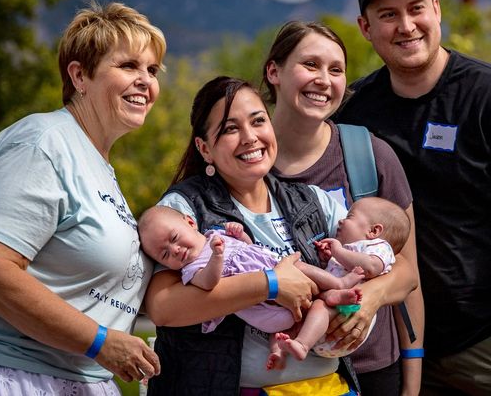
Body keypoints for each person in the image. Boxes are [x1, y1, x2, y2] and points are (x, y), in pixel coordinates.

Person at [334, 0, 491, 395]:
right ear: (365, 28)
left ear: (437, 10)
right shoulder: (355, 109)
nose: (406, 25)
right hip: (402, 346)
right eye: (388, 15)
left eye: (416, 8)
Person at [143, 76, 418, 395]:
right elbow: (163, 307)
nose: (249, 137)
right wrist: (271, 284)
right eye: (230, 129)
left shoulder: (311, 200)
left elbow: (404, 271)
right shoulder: (183, 209)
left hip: (325, 387)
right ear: (205, 148)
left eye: (258, 121)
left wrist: (372, 297)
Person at [0, 1, 166, 395]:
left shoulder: (99, 165)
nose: (145, 81)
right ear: (79, 76)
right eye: (128, 66)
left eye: (152, 70)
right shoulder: (44, 142)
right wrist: (100, 341)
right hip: (20, 377)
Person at [263, 20, 425, 395]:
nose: (324, 79)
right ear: (274, 71)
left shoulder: (370, 155)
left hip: (372, 370)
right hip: (277, 373)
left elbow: (409, 273)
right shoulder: (243, 160)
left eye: (336, 70)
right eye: (310, 65)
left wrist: (412, 385)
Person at [138, 205, 364, 368]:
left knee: (303, 274)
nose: (176, 250)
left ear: (190, 222)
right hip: (264, 307)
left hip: (279, 269)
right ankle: (295, 342)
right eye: (165, 254)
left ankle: (336, 287)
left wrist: (241, 235)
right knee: (286, 320)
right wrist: (216, 257)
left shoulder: (215, 234)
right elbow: (209, 283)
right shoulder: (190, 270)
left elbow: (249, 251)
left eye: (175, 238)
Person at [276, 196, 411, 364]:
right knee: (289, 319)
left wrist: (338, 251)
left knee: (319, 307)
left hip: (346, 318)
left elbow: (370, 267)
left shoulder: (380, 248)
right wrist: (328, 258)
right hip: (327, 320)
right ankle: (279, 351)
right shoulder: (350, 249)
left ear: (374, 231)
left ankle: (302, 344)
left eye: (349, 217)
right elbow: (340, 267)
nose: (340, 221)